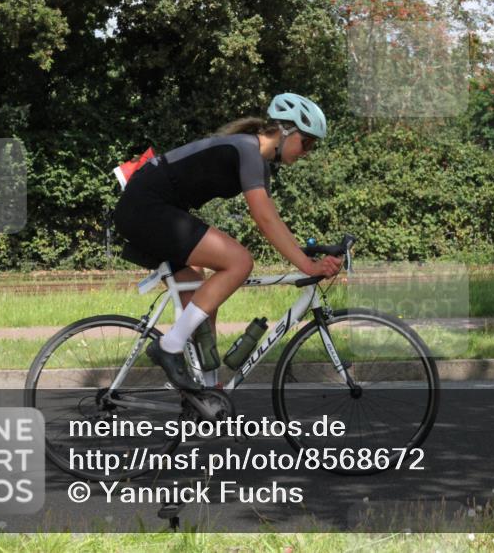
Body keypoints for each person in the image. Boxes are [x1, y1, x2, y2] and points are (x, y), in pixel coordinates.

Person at [112, 93, 342, 391]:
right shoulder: (247, 150)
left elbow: (272, 219)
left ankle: (206, 388)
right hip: (146, 208)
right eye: (307, 143)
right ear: (286, 132)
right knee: (239, 261)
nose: (307, 152)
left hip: (153, 209)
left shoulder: (256, 161)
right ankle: (168, 347)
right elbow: (265, 220)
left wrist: (303, 254)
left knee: (202, 296)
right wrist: (307, 266)